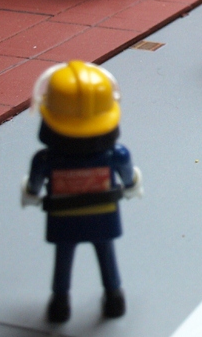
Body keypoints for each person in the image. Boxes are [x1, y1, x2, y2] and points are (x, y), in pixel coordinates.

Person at [22, 61, 143, 323]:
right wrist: (132, 185)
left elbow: (33, 186)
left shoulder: (46, 159)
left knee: (63, 259)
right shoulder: (116, 154)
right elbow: (128, 178)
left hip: (63, 217)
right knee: (106, 254)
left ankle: (60, 303)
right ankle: (114, 298)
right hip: (103, 214)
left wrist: (31, 193)